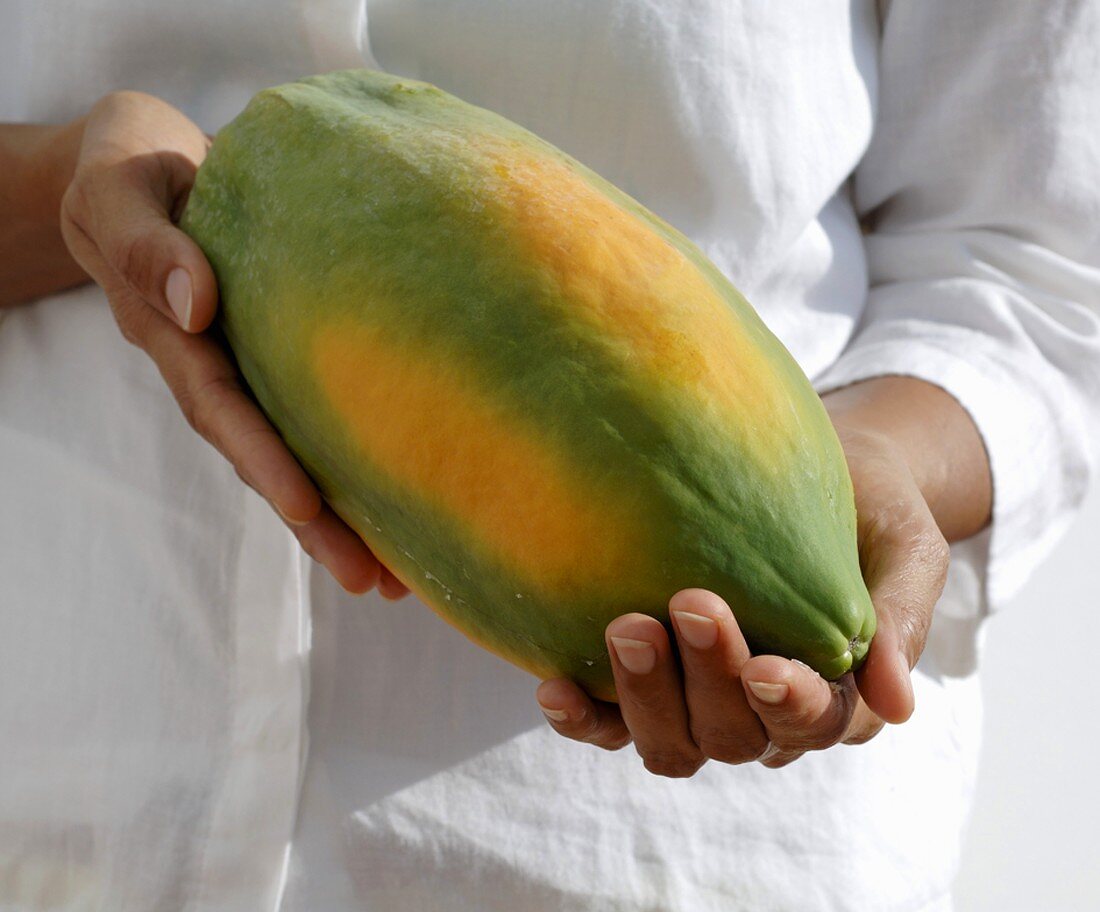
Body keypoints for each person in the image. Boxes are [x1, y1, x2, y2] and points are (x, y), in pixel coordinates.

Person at [1, 1, 1097, 909]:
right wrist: (71, 192)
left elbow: (1031, 260)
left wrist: (878, 457)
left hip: (662, 857)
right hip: (66, 811)